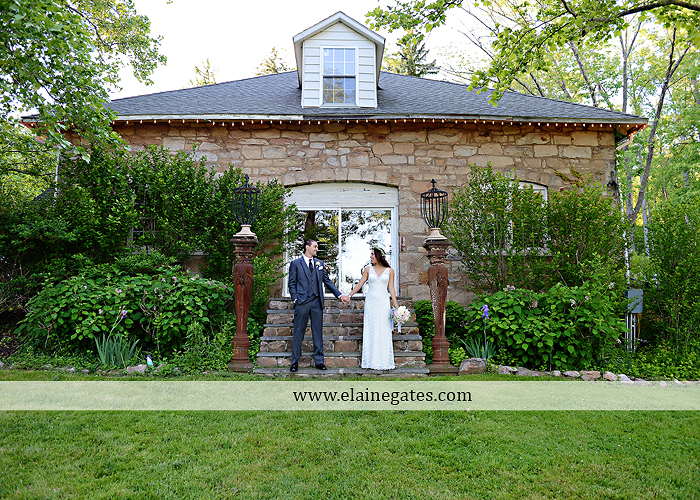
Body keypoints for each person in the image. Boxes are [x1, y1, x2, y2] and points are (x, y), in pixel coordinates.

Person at [288, 239, 350, 372]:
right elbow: (291, 283)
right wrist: (295, 299)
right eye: (315, 246)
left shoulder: (319, 263)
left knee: (317, 332)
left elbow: (327, 281)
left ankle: (319, 361)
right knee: (298, 331)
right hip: (302, 302)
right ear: (307, 247)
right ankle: (294, 362)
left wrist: (340, 295)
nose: (317, 249)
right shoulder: (295, 263)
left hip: (317, 301)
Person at [348, 247, 398, 370]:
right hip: (371, 303)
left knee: (384, 329)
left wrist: (396, 305)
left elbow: (391, 288)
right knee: (371, 329)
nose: (370, 256)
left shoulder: (390, 271)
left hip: (384, 303)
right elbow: (360, 284)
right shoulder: (368, 269)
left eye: (372, 254)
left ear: (378, 255)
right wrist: (349, 295)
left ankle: (384, 361)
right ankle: (370, 361)